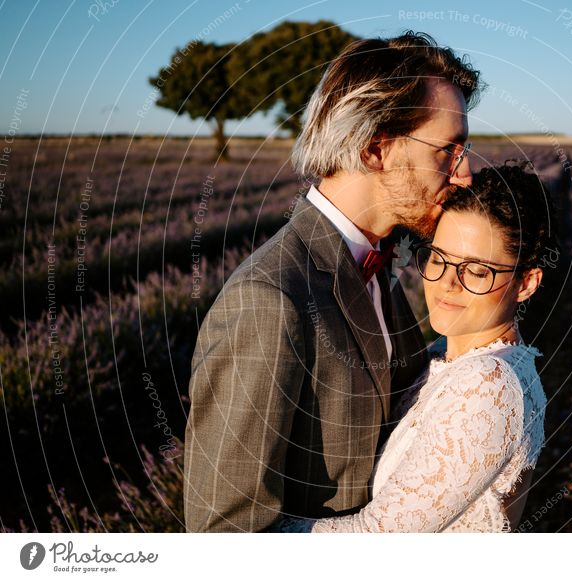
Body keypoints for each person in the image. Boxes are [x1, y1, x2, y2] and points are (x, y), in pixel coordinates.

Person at [183, 32, 481, 532]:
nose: (466, 172)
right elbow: (224, 533)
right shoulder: (268, 302)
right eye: (448, 150)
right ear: (375, 150)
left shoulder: (377, 260)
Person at [278, 162, 557, 532]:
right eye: (439, 259)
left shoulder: (487, 384)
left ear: (526, 284)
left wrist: (251, 537)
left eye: (476, 271)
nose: (447, 284)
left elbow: (380, 538)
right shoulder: (448, 355)